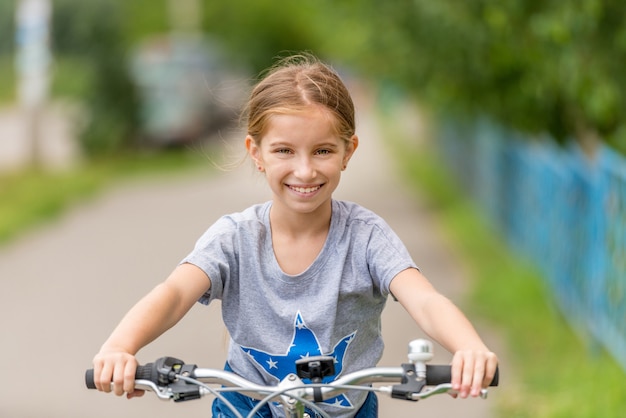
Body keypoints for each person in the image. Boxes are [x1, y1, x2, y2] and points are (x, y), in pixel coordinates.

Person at [92, 53, 498, 417]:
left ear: (348, 151)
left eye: (322, 151)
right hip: (245, 406)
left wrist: (468, 347)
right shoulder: (234, 239)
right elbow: (174, 294)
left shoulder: (366, 238)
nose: (304, 171)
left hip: (346, 410)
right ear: (256, 153)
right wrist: (119, 348)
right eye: (284, 151)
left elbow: (424, 300)